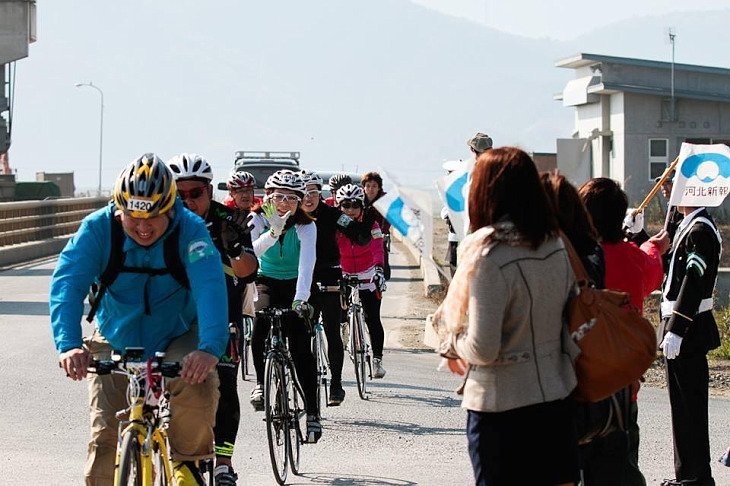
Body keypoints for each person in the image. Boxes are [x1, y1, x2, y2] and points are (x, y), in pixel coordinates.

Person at [50, 153, 229, 486]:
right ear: (119, 211)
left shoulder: (189, 230)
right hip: (116, 331)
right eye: (133, 219)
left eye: (154, 219)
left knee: (195, 382)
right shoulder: (97, 229)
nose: (144, 228)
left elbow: (210, 287)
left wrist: (210, 347)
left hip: (177, 329)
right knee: (104, 438)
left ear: (170, 210)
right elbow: (67, 284)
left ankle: (186, 463)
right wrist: (69, 345)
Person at [436, 147, 580, 486]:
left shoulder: (489, 257)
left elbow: (484, 348)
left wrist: (452, 339)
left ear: (486, 191)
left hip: (501, 411)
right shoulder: (555, 244)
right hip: (556, 401)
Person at [167, 154, 258, 486]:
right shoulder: (163, 218)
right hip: (176, 312)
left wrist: (234, 248)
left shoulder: (229, 218)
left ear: (209, 191)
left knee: (224, 383)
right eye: (181, 194)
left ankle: (223, 462)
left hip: (222, 311)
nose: (188, 201)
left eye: (196, 193)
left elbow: (248, 274)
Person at [579, 177, 670, 486]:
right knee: (622, 467)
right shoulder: (633, 258)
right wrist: (652, 245)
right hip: (622, 389)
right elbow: (652, 268)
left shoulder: (576, 260)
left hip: (579, 386)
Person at [248, 170, 322, 443]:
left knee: (301, 346)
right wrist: (272, 232)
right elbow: (251, 253)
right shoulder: (256, 218)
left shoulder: (307, 226)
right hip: (266, 280)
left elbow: (307, 265)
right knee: (260, 322)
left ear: (300, 201)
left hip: (295, 284)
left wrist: (301, 300)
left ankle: (313, 413)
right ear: (267, 197)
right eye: (278, 197)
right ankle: (259, 383)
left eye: (292, 198)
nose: (284, 203)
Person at [657, 204, 722, 486]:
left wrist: (678, 327)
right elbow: (668, 270)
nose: (671, 194)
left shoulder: (700, 230)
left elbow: (693, 280)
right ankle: (688, 475)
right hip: (680, 327)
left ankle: (697, 477)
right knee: (681, 408)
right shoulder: (686, 226)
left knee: (690, 407)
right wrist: (639, 237)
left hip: (689, 329)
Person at [299, 169, 373, 405]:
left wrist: (367, 220)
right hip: (302, 277)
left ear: (320, 193)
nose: (308, 197)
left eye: (313, 192)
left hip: (329, 274)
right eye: (303, 193)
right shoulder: (292, 216)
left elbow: (358, 235)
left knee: (332, 330)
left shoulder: (332, 215)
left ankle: (337, 384)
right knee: (300, 332)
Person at [335, 183, 388, 379]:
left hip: (367, 272)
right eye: (345, 205)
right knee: (338, 314)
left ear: (362, 207)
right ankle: (345, 332)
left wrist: (379, 270)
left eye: (354, 205)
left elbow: (377, 249)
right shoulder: (335, 226)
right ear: (339, 207)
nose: (350, 210)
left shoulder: (372, 225)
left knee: (372, 317)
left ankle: (377, 360)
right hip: (343, 272)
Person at [361, 171, 392, 280]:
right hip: (362, 236)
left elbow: (387, 218)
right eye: (368, 186)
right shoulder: (359, 200)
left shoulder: (384, 200)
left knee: (382, 262)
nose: (370, 189)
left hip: (378, 235)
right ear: (363, 187)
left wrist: (383, 232)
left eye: (374, 186)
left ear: (379, 188)